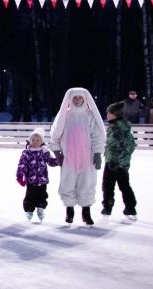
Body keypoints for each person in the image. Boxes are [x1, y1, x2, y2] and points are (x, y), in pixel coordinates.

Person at [49, 87, 106, 226]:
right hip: (69, 159)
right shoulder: (64, 115)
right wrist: (57, 153)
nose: (78, 100)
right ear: (70, 99)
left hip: (87, 158)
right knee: (68, 183)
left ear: (85, 99)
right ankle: (69, 210)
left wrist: (98, 153)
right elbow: (55, 137)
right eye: (75, 98)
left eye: (80, 97)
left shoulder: (89, 115)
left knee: (87, 184)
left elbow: (97, 136)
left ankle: (86, 212)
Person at [101, 101, 138, 220]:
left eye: (109, 113)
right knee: (125, 185)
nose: (107, 115)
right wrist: (124, 160)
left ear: (115, 114)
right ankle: (131, 208)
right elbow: (131, 145)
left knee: (108, 185)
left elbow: (114, 144)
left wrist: (114, 159)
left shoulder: (115, 127)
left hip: (113, 162)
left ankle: (107, 207)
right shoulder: (125, 126)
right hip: (123, 163)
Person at [16, 128, 58, 222]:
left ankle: (41, 208)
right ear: (29, 140)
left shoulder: (44, 152)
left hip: (42, 180)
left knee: (42, 196)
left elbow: (51, 162)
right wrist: (19, 176)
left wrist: (59, 160)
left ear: (41, 141)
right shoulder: (26, 153)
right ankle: (29, 210)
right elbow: (21, 165)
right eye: (32, 140)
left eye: (37, 140)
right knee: (30, 196)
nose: (34, 142)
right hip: (31, 181)